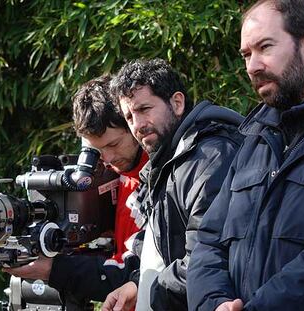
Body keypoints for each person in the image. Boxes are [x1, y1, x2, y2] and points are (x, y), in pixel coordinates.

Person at [187, 1, 304, 310]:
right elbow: (209, 240)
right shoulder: (253, 137)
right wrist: (213, 303)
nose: (252, 66)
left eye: (265, 47)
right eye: (246, 55)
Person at [101, 58, 244, 311]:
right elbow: (164, 242)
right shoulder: (169, 160)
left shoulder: (211, 158)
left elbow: (205, 259)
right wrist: (137, 284)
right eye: (130, 116)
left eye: (145, 109)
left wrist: (151, 291)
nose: (138, 125)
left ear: (177, 103)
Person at [4, 75, 148, 302]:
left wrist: (56, 270)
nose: (108, 158)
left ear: (132, 123)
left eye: (113, 144)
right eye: (98, 150)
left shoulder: (162, 176)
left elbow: (142, 275)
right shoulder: (114, 173)